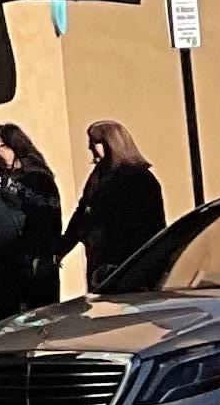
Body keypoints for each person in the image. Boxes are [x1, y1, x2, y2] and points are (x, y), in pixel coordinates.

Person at [62, 120, 172, 295]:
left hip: (128, 265)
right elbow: (84, 213)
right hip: (101, 264)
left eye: (94, 143)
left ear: (110, 143)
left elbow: (150, 227)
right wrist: (62, 247)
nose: (90, 148)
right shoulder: (98, 177)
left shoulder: (140, 179)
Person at [0, 122, 65, 317]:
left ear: (12, 146)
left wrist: (39, 256)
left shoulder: (35, 179)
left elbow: (47, 220)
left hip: (27, 263)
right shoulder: (0, 176)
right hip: (3, 265)